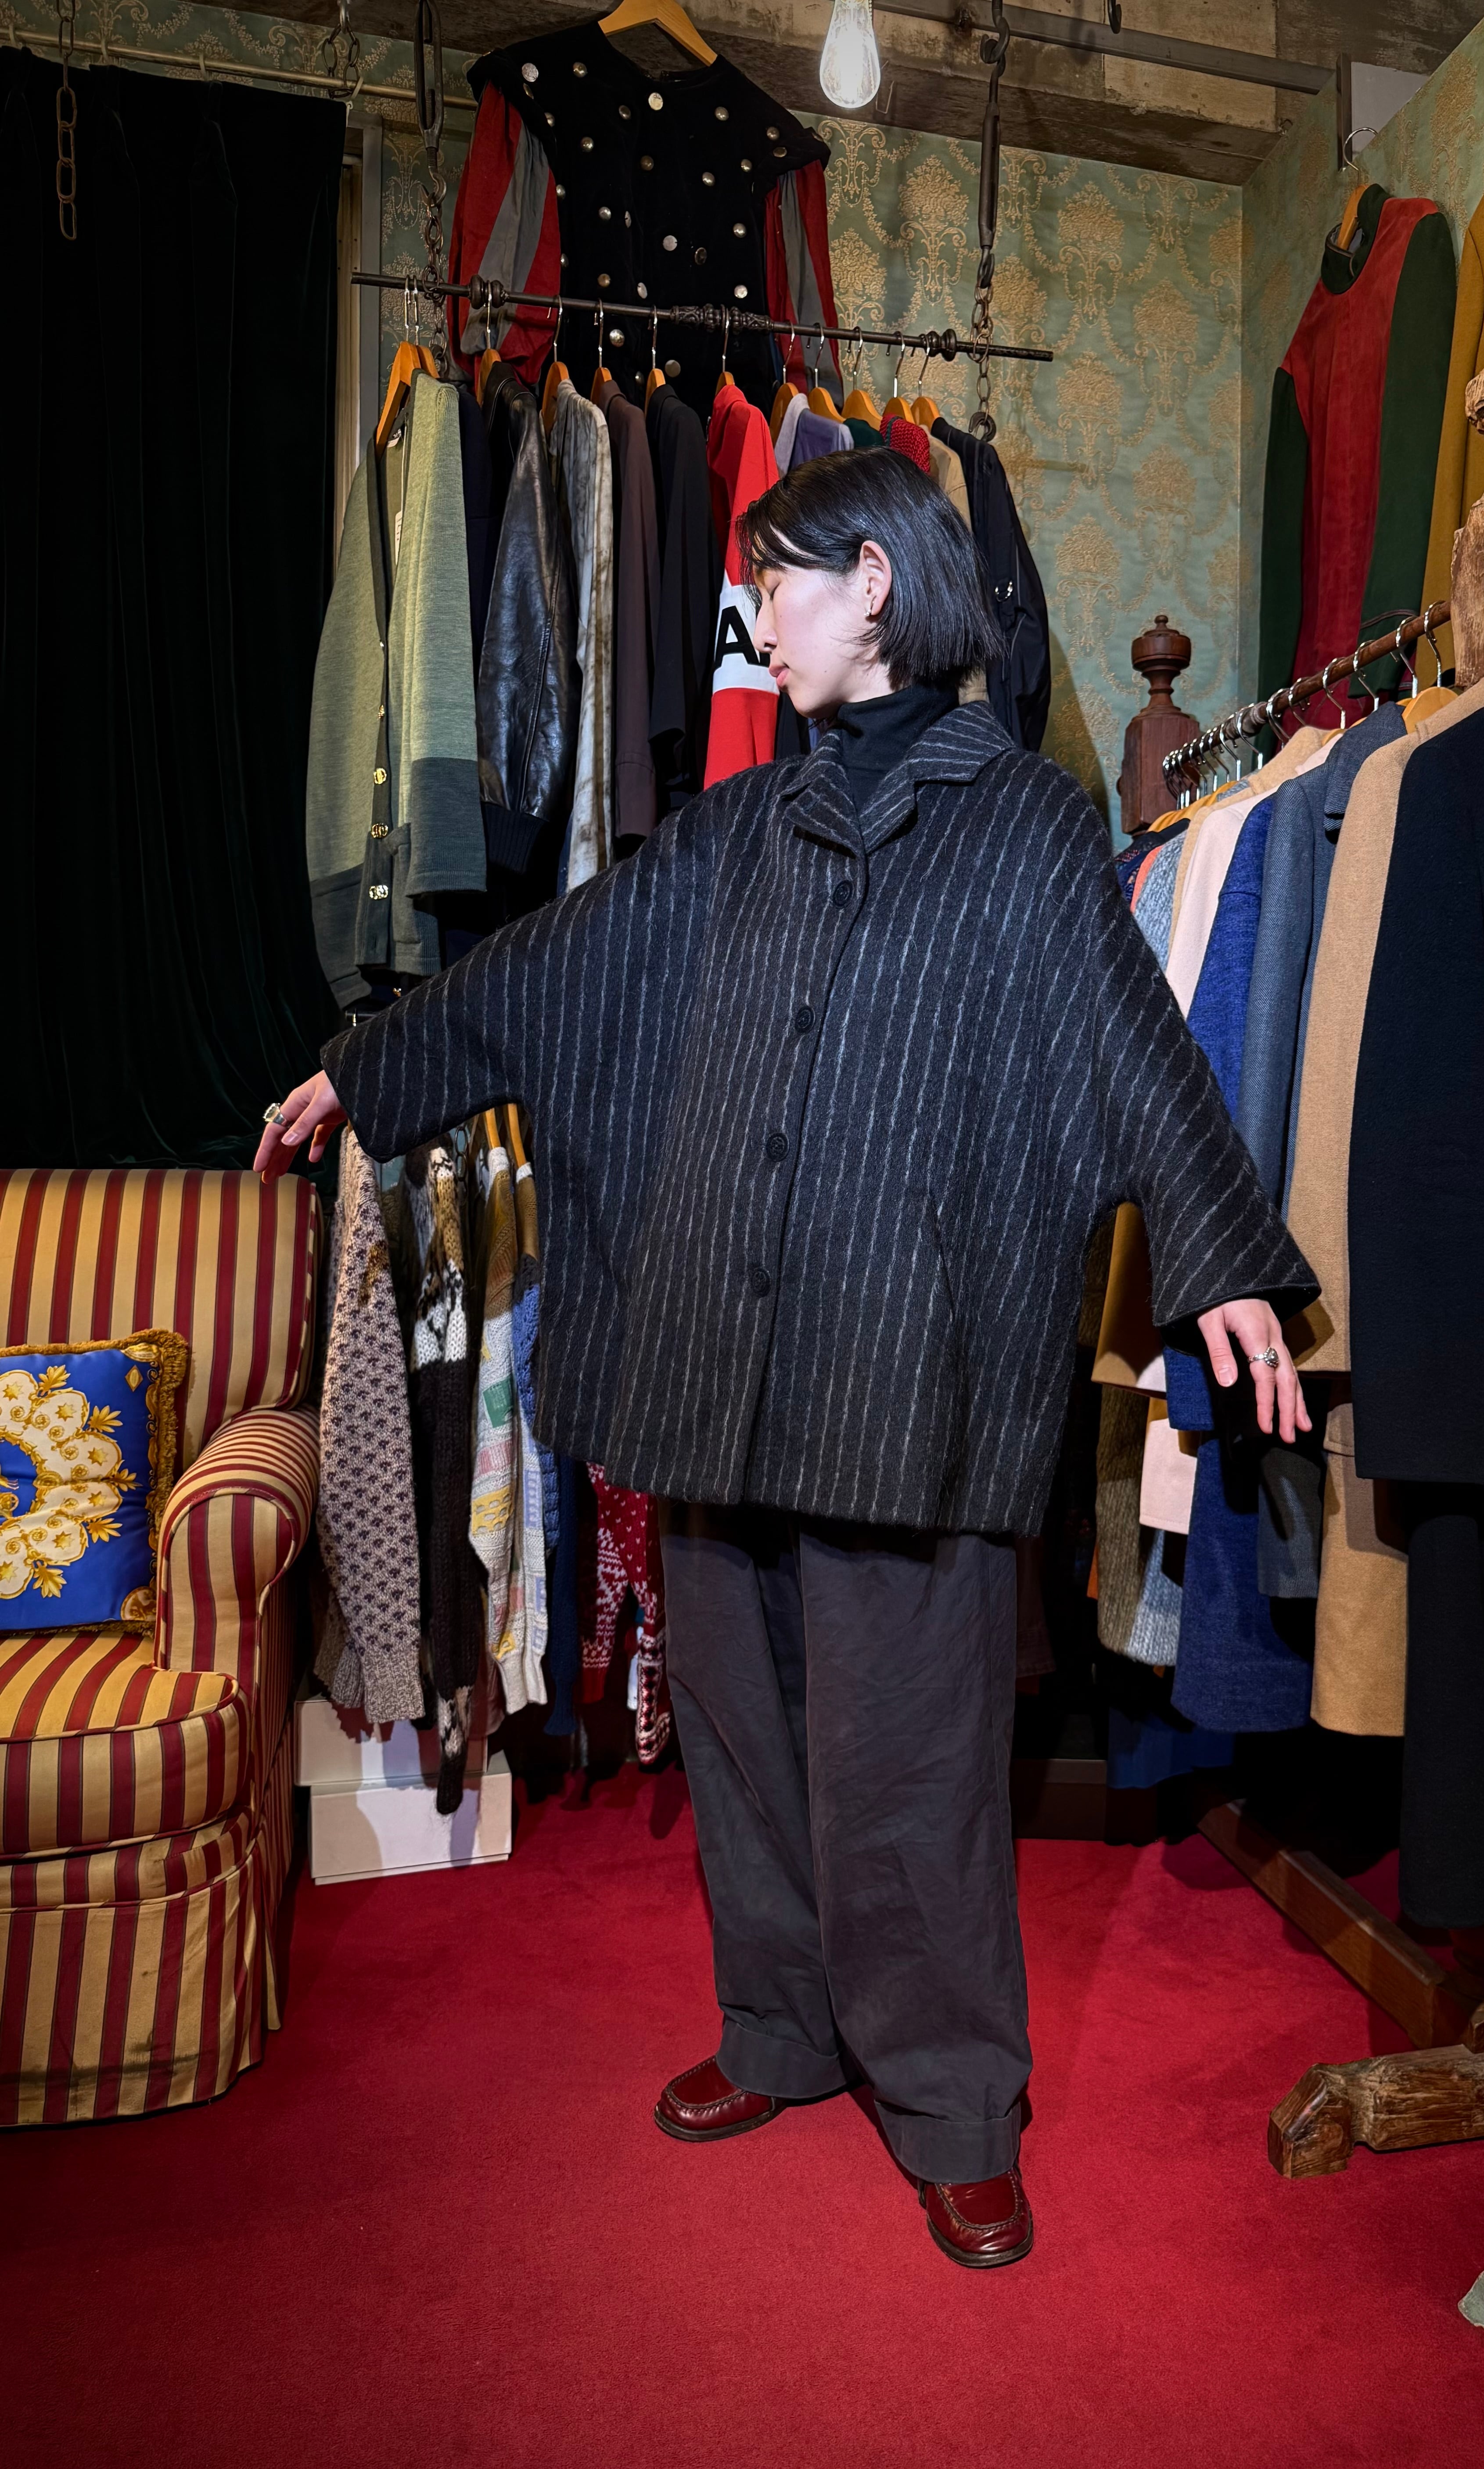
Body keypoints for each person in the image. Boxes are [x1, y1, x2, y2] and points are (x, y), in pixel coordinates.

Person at [257, 448, 1316, 2270]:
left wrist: (1217, 1252)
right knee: (741, 1727)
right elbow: (561, 965)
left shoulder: (1026, 822)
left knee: (908, 1756)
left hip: (900, 1373)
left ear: (876, 585)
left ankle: (951, 2099)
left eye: (777, 583)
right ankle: (778, 2029)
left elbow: (1127, 1039)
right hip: (713, 1353)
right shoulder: (737, 826)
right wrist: (376, 1066)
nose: (753, 619)